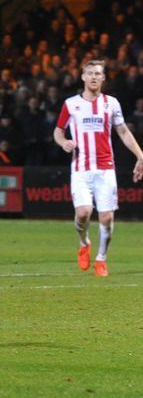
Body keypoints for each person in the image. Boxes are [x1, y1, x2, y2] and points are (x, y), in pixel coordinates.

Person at [54, 59, 143, 277]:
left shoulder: (111, 103)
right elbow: (58, 131)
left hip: (105, 167)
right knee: (83, 213)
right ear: (83, 77)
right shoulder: (70, 104)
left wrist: (140, 155)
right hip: (81, 168)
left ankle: (101, 259)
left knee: (106, 217)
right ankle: (84, 242)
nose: (94, 77)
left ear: (103, 78)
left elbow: (122, 131)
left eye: (98, 73)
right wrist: (63, 141)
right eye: (90, 73)